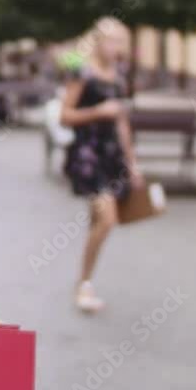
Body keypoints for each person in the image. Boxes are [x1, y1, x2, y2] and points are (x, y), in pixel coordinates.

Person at [59, 18, 143, 313]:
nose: (116, 47)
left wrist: (132, 163)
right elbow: (64, 116)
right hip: (87, 155)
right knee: (107, 219)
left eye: (121, 41)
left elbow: (122, 122)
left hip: (111, 155)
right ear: (97, 42)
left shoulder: (118, 75)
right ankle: (83, 284)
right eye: (111, 40)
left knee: (98, 221)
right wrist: (98, 111)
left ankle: (85, 281)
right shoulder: (82, 73)